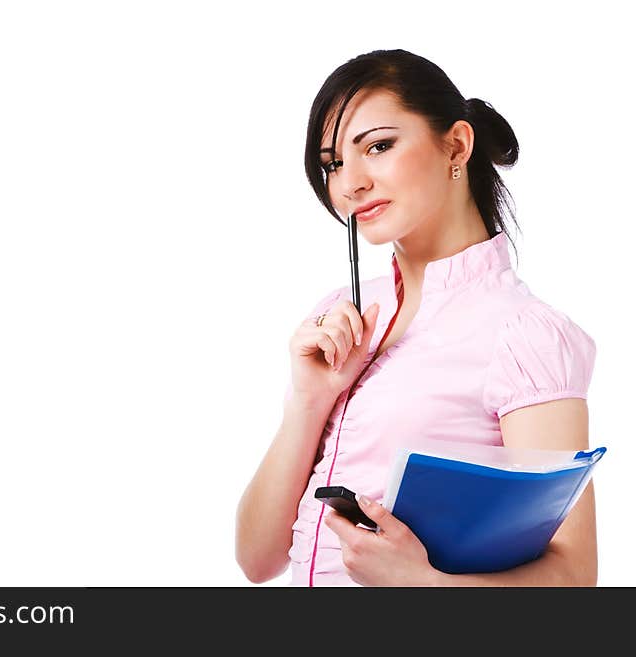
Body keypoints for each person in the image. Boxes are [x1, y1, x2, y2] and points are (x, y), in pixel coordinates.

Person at [234, 49, 598, 587]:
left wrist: (425, 585)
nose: (349, 184)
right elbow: (256, 560)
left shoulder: (523, 335)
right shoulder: (343, 316)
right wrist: (310, 401)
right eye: (333, 163)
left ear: (457, 144)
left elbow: (574, 577)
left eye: (378, 146)